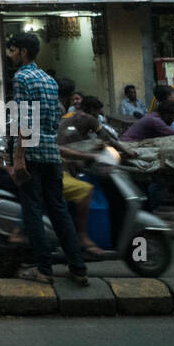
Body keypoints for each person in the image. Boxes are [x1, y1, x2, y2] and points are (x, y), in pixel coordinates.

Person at [7, 33, 88, 286]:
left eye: (12, 51)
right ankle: (78, 268)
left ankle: (44, 269)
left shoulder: (21, 77)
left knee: (32, 212)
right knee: (59, 211)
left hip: (32, 154)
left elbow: (23, 120)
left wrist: (19, 157)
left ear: (22, 52)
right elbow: (55, 118)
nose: (10, 55)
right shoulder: (50, 81)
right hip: (52, 154)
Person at [57, 95, 110, 259]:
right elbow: (60, 149)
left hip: (58, 169)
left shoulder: (62, 124)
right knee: (86, 190)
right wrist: (86, 156)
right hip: (52, 173)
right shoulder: (45, 128)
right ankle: (82, 237)